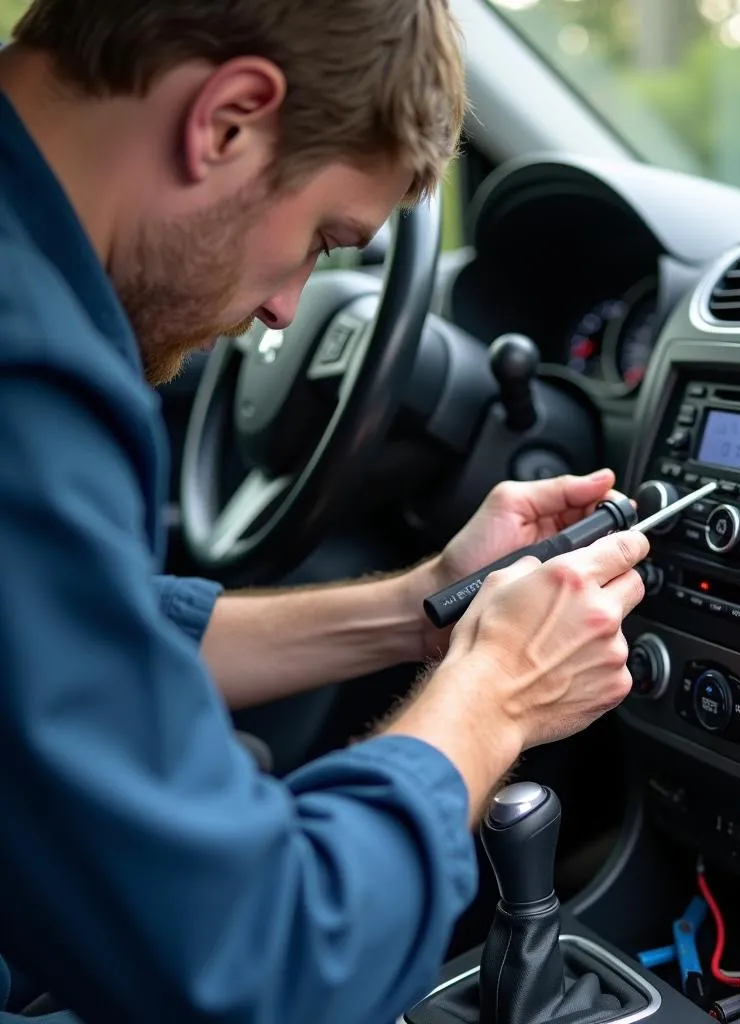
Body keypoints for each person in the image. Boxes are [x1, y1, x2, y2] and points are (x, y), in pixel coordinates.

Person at [0, 2, 650, 1023]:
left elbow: (84, 638)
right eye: (321, 240)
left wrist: (425, 603)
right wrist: (499, 694)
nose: (286, 311)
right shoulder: (29, 374)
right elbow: (265, 956)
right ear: (229, 120)